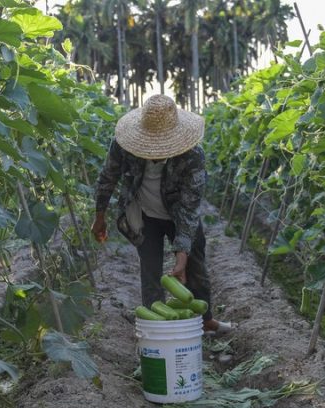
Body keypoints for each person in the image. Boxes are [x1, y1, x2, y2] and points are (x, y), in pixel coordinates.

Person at [91, 94, 233, 334]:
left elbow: (189, 208)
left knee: (195, 264)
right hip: (144, 213)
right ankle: (155, 326)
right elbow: (108, 176)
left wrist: (182, 255)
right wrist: (100, 216)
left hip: (178, 214)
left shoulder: (192, 157)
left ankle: (206, 320)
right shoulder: (124, 145)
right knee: (150, 268)